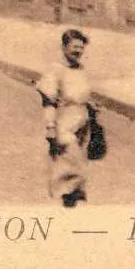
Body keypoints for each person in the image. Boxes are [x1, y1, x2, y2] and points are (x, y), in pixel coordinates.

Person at [35, 28, 96, 208]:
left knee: (74, 176)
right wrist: (50, 127)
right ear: (64, 47)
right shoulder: (55, 70)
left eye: (81, 47)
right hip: (64, 127)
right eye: (74, 47)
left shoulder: (80, 69)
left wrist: (89, 104)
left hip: (82, 128)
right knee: (75, 172)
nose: (78, 51)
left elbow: (79, 94)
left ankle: (69, 209)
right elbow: (48, 101)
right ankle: (72, 208)